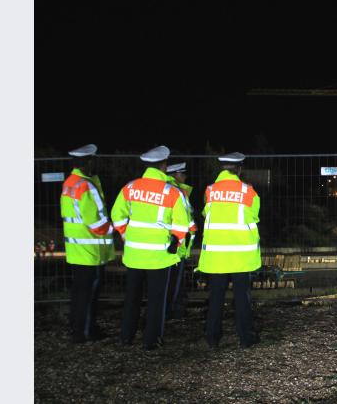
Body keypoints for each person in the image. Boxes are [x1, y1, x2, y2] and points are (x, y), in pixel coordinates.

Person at [111, 146, 191, 350]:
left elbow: (117, 216)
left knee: (132, 297)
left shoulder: (130, 187)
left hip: (134, 254)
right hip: (159, 256)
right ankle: (151, 340)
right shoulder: (172, 192)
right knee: (157, 300)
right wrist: (176, 242)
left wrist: (126, 235)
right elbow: (182, 224)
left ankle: (126, 336)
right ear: (164, 165)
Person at [198, 152, 262, 349]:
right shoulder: (249, 191)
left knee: (216, 297)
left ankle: (212, 338)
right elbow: (254, 215)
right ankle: (245, 338)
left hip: (216, 255)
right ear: (239, 169)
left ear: (222, 169)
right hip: (240, 256)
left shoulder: (210, 190)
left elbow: (205, 213)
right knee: (242, 297)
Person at [60, 144, 115, 343]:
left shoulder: (70, 183)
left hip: (76, 248)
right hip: (91, 249)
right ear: (89, 162)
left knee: (78, 292)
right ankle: (85, 332)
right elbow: (97, 223)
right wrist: (113, 230)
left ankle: (76, 327)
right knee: (88, 294)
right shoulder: (86, 186)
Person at [165, 162, 197, 320]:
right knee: (173, 282)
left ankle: (173, 310)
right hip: (175, 246)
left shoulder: (174, 190)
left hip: (175, 244)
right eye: (182, 174)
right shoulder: (176, 191)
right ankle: (172, 311)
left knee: (172, 281)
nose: (185, 177)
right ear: (174, 175)